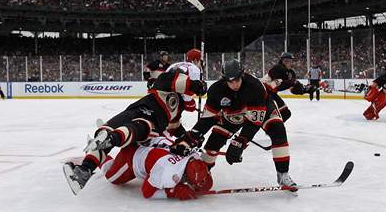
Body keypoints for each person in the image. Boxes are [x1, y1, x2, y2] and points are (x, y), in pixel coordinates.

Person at [63, 49, 207, 193]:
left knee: (122, 131)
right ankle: (94, 157)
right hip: (145, 115)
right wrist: (195, 85)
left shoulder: (178, 104)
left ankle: (95, 157)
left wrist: (189, 137)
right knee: (120, 129)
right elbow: (176, 81)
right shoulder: (166, 81)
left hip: (143, 119)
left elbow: (175, 127)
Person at [171, 59, 297, 189]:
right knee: (213, 143)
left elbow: (254, 122)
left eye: (237, 79)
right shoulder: (216, 90)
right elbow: (207, 119)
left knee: (278, 129)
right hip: (233, 114)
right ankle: (202, 175)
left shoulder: (255, 86)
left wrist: (240, 142)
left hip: (263, 108)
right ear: (224, 78)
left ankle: (283, 174)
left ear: (242, 74)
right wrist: (191, 138)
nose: (235, 84)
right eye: (230, 81)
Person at [64, 136, 213, 200]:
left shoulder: (194, 156)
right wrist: (172, 192)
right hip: (132, 157)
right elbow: (147, 192)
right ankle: (97, 153)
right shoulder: (167, 172)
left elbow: (205, 180)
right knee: (111, 177)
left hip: (149, 139)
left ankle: (120, 137)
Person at [261, 52, 314, 121]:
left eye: (290, 61)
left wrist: (304, 90)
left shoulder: (291, 73)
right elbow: (272, 85)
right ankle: (272, 128)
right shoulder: (278, 68)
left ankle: (273, 129)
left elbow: (293, 89)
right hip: (263, 92)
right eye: (286, 61)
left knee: (286, 114)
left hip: (272, 94)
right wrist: (290, 83)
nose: (289, 63)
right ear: (282, 61)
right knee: (283, 114)